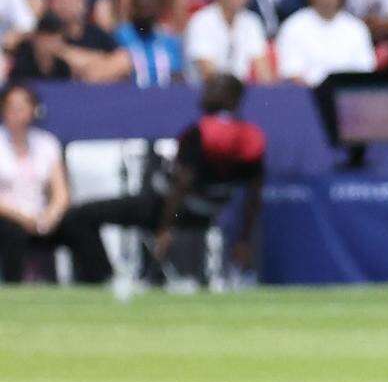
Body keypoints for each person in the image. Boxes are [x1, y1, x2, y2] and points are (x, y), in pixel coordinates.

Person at [58, 73, 268, 286]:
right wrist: (244, 239)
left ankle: (103, 279)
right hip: (208, 215)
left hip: (169, 210)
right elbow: (253, 196)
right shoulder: (251, 137)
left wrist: (165, 228)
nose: (205, 92)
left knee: (81, 215)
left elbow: (180, 187)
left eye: (213, 88)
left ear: (231, 97)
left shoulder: (200, 133)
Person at [0, 81, 72, 283]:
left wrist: (50, 216)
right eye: (11, 108)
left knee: (78, 222)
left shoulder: (46, 143)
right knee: (12, 233)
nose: (16, 114)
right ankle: (13, 287)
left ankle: (97, 283)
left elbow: (61, 193)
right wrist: (23, 219)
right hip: (9, 216)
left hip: (41, 215)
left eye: (22, 108)